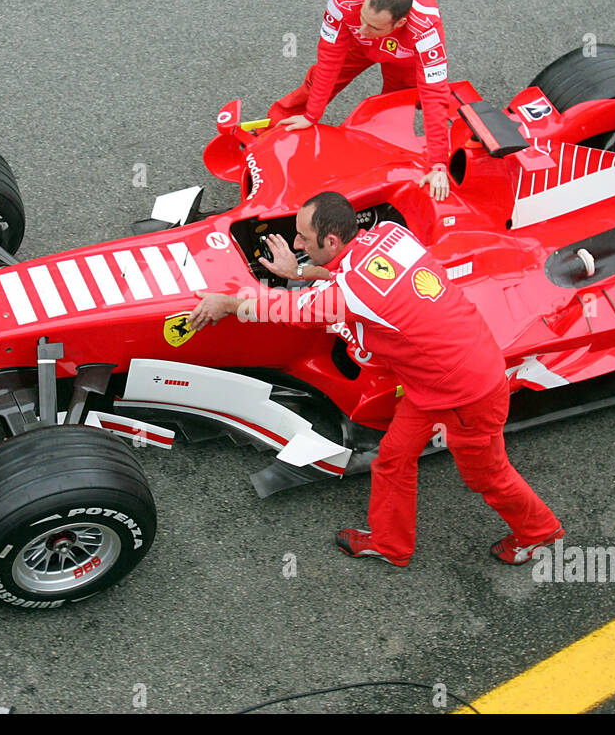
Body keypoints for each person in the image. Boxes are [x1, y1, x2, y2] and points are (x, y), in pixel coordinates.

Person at [188, 192, 564, 566]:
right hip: (439, 381)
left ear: (331, 240)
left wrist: (229, 304)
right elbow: (351, 277)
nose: (297, 245)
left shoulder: (354, 292)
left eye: (302, 238)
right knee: (393, 461)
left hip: (465, 395)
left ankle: (539, 531)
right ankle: (390, 544)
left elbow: (291, 309)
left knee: (486, 476)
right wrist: (298, 272)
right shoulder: (389, 234)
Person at [268, 0, 454, 201]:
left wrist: (438, 164)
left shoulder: (426, 30)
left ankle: (381, 164)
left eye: (373, 27)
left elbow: (434, 94)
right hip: (356, 47)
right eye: (362, 18)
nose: (364, 30)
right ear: (365, 0)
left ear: (401, 23)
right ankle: (274, 129)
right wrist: (311, 114)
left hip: (404, 56)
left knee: (394, 107)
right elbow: (329, 60)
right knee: (316, 82)